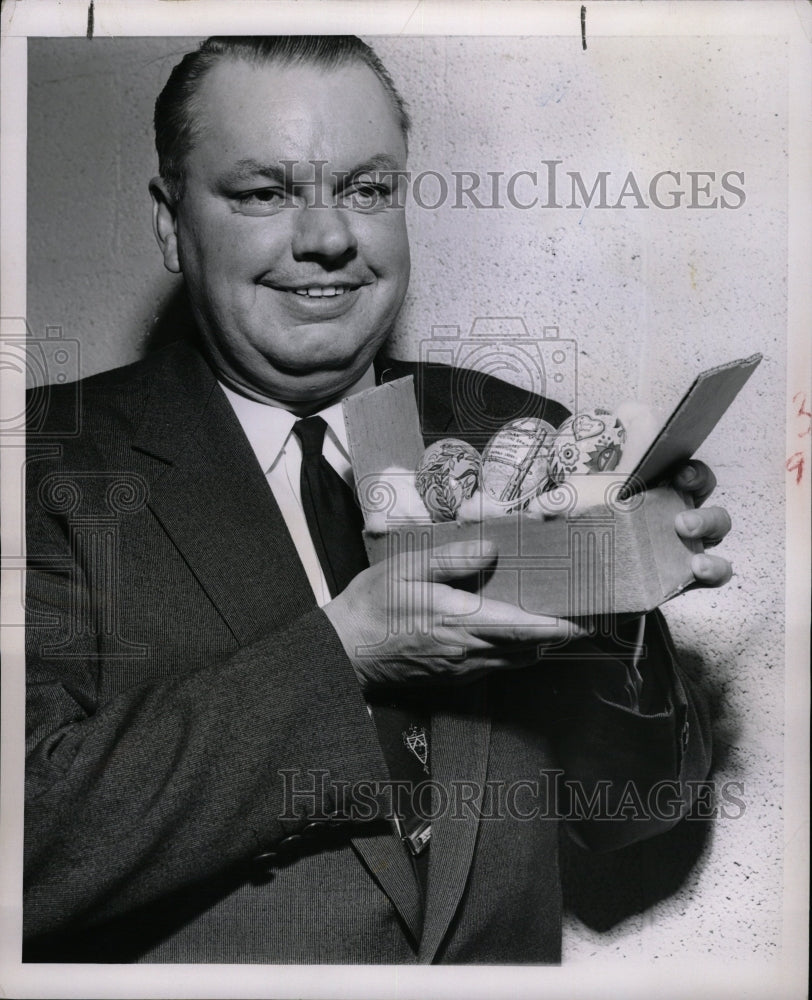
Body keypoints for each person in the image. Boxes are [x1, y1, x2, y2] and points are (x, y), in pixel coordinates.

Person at [24, 35, 732, 964]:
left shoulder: (516, 432)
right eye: (265, 192)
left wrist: (618, 593)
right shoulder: (38, 460)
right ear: (169, 223)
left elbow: (637, 819)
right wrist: (344, 661)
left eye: (365, 190)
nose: (327, 238)